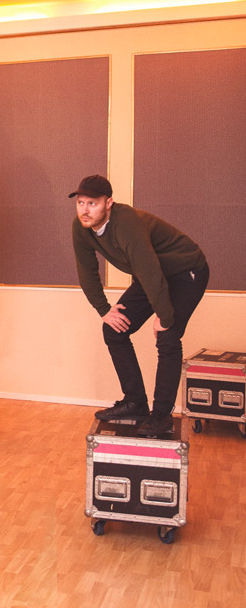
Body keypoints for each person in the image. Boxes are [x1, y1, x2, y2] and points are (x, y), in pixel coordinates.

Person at [70, 175, 209, 437]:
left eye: (92, 203)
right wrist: (104, 309)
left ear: (108, 203)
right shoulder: (81, 227)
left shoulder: (126, 224)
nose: (85, 210)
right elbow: (86, 270)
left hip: (186, 271)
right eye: (80, 203)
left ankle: (161, 416)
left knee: (168, 337)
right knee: (114, 330)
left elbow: (149, 270)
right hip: (152, 274)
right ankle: (135, 402)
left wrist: (164, 316)